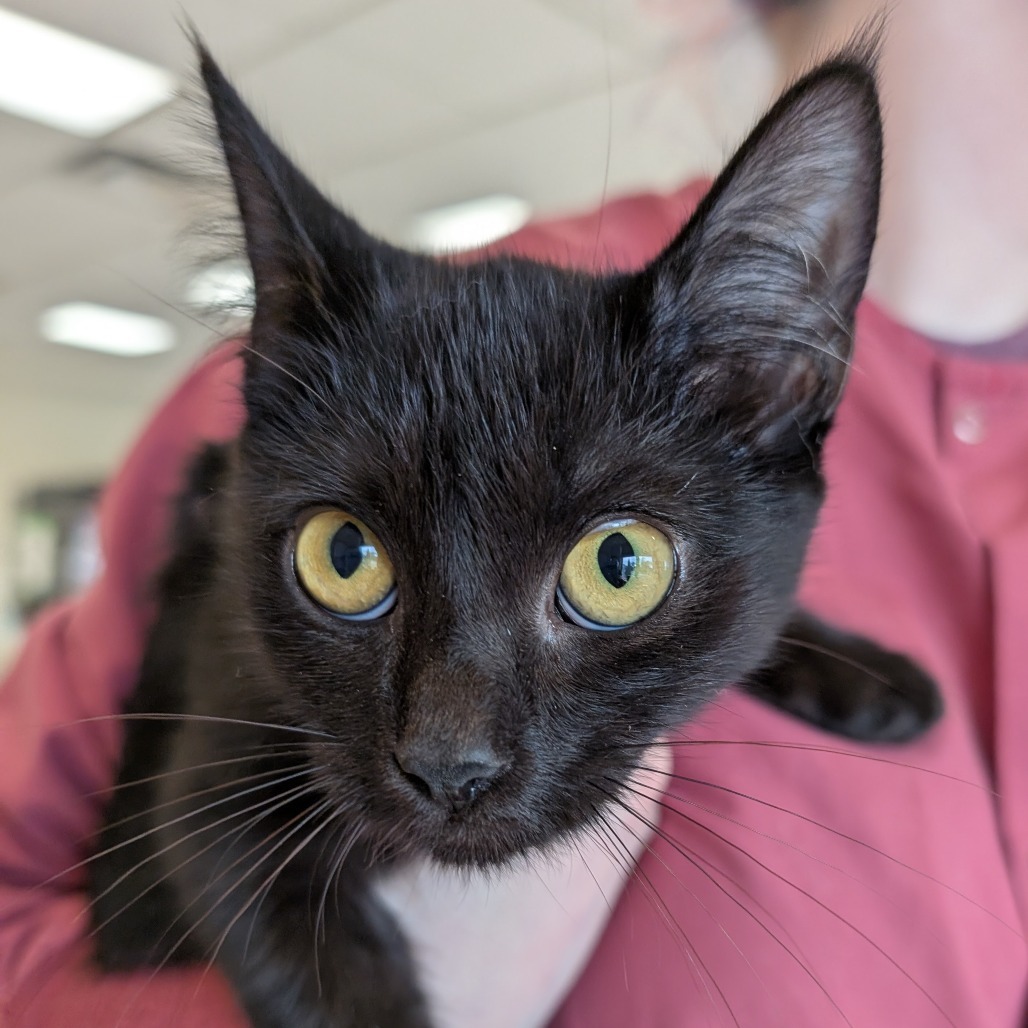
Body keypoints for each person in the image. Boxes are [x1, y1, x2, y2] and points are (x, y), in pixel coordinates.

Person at [2, 0, 1027, 1024]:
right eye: (344, 559)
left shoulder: (719, 395)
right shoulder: (337, 380)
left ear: (776, 384)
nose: (447, 747)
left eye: (613, 569)